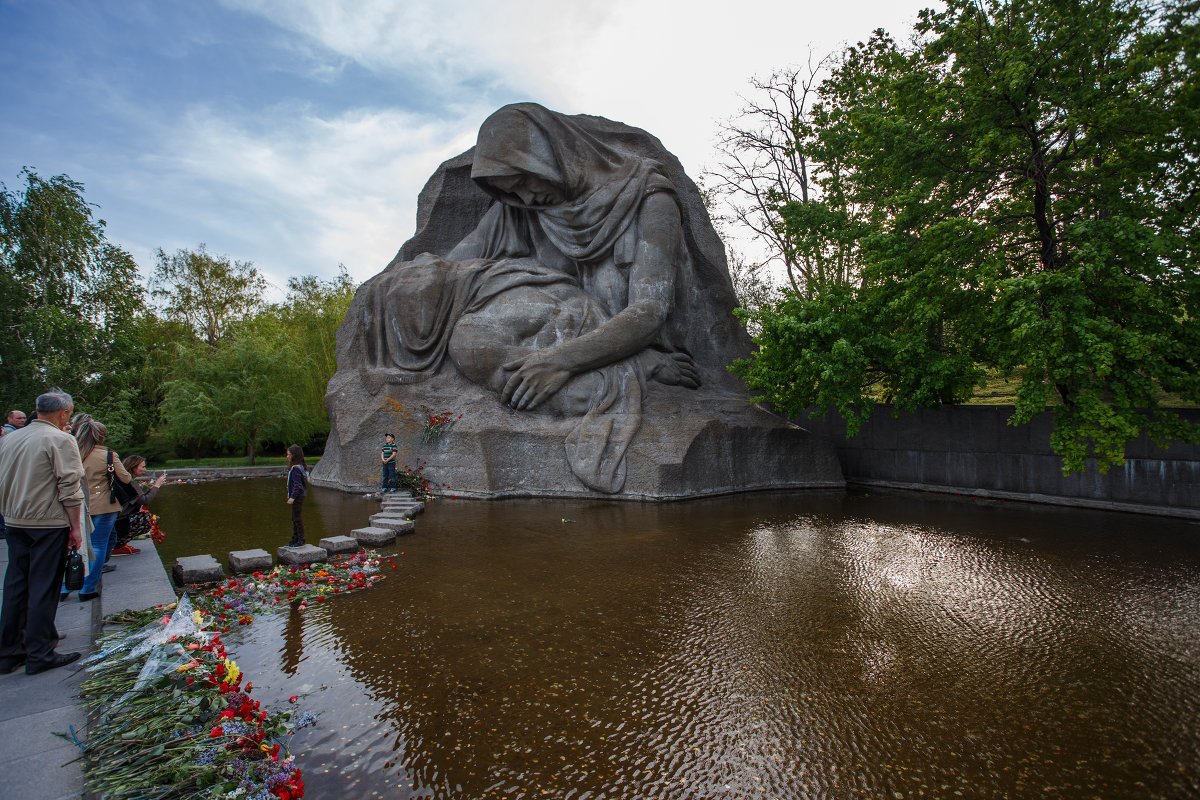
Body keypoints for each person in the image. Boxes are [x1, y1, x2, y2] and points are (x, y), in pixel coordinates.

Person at [0, 390, 83, 674]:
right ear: (63, 413)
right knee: (43, 587)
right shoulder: (60, 439)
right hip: (47, 523)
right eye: (68, 414)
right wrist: (75, 527)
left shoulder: (10, 438)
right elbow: (69, 487)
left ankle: (9, 653)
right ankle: (40, 653)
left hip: (14, 521)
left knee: (15, 585)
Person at [73, 419, 132, 601]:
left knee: (75, 547)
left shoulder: (73, 452)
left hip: (77, 505)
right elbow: (126, 478)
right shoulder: (107, 454)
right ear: (100, 436)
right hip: (103, 504)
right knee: (98, 545)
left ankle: (66, 588)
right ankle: (87, 588)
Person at [110, 455, 166, 555]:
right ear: (133, 467)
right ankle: (117, 545)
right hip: (119, 521)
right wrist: (157, 485)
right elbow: (145, 500)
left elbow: (141, 498)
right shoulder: (128, 482)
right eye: (143, 467)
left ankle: (118, 544)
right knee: (146, 519)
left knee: (145, 516)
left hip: (117, 519)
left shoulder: (124, 480)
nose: (145, 469)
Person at [285, 445, 308, 547]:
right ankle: (295, 538)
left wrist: (292, 497)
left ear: (294, 455)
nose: (287, 457)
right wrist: (289, 494)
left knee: (297, 518)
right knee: (294, 518)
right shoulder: (298, 467)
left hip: (298, 497)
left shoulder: (295, 469)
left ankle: (301, 540)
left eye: (288, 454)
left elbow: (298, 485)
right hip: (297, 496)